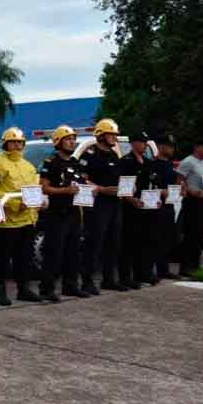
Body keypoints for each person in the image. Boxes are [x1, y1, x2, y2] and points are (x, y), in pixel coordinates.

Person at [0, 127, 43, 304]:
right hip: (6, 222)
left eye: (20, 142)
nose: (17, 145)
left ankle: (24, 289)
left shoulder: (28, 166)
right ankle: (0, 292)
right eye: (13, 142)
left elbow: (35, 189)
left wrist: (37, 206)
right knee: (2, 260)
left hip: (27, 220)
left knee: (25, 258)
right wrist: (12, 205)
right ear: (5, 143)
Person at [38, 125, 89, 299]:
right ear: (58, 142)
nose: (72, 142)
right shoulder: (51, 162)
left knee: (73, 252)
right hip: (57, 213)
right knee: (54, 252)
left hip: (74, 213)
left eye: (73, 139)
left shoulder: (76, 163)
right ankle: (47, 289)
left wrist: (91, 189)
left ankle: (71, 285)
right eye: (68, 139)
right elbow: (44, 187)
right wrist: (64, 191)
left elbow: (83, 183)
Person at [79, 118, 127, 294]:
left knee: (113, 243)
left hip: (115, 203)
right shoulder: (90, 154)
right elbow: (82, 178)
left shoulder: (114, 155)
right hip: (97, 205)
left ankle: (109, 279)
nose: (114, 138)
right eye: (110, 134)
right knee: (94, 243)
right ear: (100, 135)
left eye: (115, 135)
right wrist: (98, 188)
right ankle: (87, 282)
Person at [118, 131, 153, 289]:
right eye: (143, 142)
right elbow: (123, 189)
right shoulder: (126, 162)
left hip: (146, 208)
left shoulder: (147, 162)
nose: (145, 145)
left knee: (143, 243)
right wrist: (133, 200)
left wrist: (155, 199)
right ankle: (126, 278)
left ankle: (142, 275)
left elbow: (152, 185)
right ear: (134, 143)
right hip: (129, 208)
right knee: (128, 245)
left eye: (146, 142)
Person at [177, 137, 203, 277]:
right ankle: (185, 266)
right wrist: (191, 191)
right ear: (198, 147)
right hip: (192, 202)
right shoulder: (188, 162)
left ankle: (195, 264)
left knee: (201, 234)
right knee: (191, 234)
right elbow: (179, 181)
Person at [149, 134, 183, 280]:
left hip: (169, 206)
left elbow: (175, 183)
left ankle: (164, 269)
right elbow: (149, 188)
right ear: (161, 147)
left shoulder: (170, 165)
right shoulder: (153, 165)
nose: (172, 149)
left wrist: (180, 188)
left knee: (168, 240)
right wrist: (163, 191)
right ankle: (151, 270)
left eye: (173, 146)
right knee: (155, 240)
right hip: (157, 207)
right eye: (169, 146)